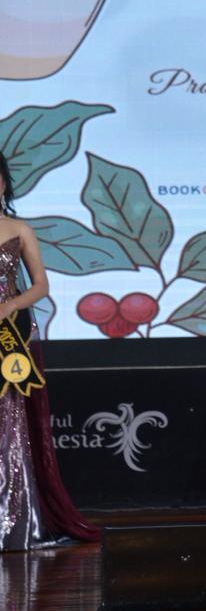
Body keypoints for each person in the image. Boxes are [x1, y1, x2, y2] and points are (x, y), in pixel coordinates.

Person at [0, 152, 100, 550]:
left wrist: (11, 304)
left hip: (7, 335)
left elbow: (41, 285)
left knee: (9, 425)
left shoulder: (19, 229)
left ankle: (12, 521)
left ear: (4, 183)